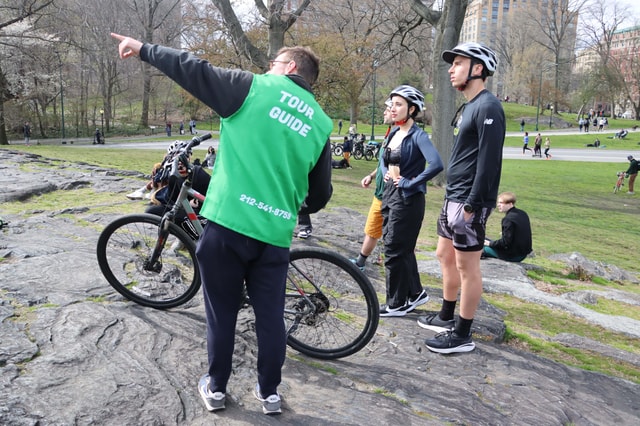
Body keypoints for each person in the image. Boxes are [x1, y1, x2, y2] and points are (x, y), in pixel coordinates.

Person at [112, 33, 333, 415]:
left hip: (229, 223)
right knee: (270, 317)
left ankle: (216, 388)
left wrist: (144, 49)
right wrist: (290, 202)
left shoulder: (254, 89)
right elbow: (321, 195)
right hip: (275, 234)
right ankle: (270, 395)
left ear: (290, 66)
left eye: (274, 63)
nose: (269, 68)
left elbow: (193, 69)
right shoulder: (321, 122)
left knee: (222, 312)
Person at [418, 42, 505, 354]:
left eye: (458, 64)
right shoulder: (470, 106)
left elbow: (489, 161)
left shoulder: (488, 106)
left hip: (469, 202)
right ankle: (445, 315)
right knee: (444, 254)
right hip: (453, 197)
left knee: (468, 267)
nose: (452, 70)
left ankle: (462, 334)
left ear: (477, 69)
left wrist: (472, 204)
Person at [378, 85, 444, 317]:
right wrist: (387, 171)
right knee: (400, 247)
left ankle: (396, 303)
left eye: (399, 105)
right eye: (392, 103)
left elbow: (436, 164)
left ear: (412, 109)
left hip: (408, 200)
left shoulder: (418, 136)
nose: (393, 108)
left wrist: (410, 182)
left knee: (395, 249)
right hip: (390, 195)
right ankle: (415, 294)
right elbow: (385, 158)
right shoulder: (395, 133)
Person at [350, 98, 394, 271]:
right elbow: (383, 163)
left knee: (393, 235)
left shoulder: (401, 135)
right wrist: (371, 175)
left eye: (388, 109)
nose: (384, 112)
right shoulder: (389, 134)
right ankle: (361, 262)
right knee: (372, 229)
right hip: (380, 194)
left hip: (392, 196)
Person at [482, 192, 532, 262]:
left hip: (513, 256)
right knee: (484, 239)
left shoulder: (508, 219)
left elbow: (505, 243)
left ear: (510, 204)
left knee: (479, 248)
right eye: (498, 202)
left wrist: (490, 244)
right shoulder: (522, 213)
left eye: (501, 203)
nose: (498, 205)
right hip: (523, 253)